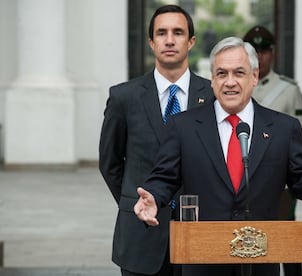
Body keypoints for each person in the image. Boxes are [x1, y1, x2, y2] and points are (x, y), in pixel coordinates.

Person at [133, 37, 302, 276]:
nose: (230, 82)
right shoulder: (183, 126)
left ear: (254, 77)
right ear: (212, 80)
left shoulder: (283, 128)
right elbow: (165, 176)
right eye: (221, 73)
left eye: (239, 72)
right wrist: (153, 196)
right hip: (203, 262)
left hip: (260, 261)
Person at [99, 4, 214, 276]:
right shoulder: (123, 97)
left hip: (198, 233)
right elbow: (110, 164)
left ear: (191, 42)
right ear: (151, 42)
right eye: (161, 33)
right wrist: (134, 202)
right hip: (140, 235)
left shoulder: (212, 96)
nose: (170, 40)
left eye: (178, 32)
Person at [243, 25, 302, 276]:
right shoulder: (234, 85)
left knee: (286, 237)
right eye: (254, 50)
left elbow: (301, 133)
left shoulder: (288, 90)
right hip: (240, 177)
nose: (260, 56)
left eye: (264, 50)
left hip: (278, 179)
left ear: (272, 54)